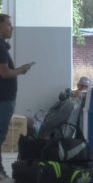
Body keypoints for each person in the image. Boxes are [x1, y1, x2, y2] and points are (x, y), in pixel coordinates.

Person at [0, 14, 33, 180]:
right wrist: (21, 70)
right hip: (3, 99)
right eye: (8, 24)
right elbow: (4, 73)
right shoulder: (0, 47)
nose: (11, 27)